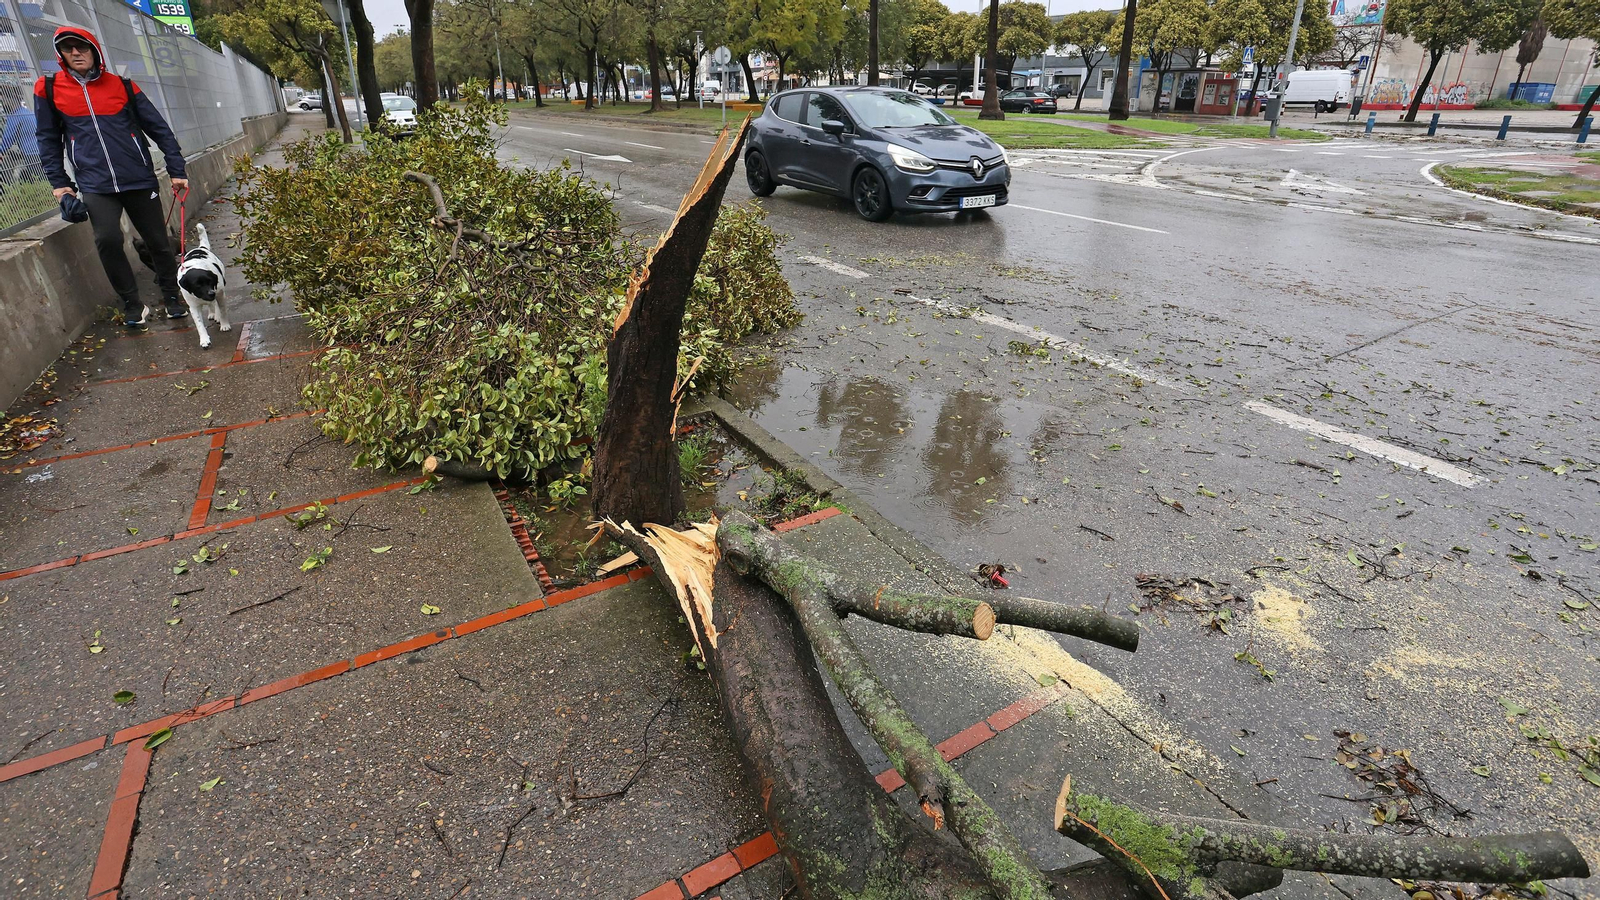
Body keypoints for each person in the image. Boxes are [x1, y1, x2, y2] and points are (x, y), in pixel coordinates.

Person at [34, 26, 189, 328]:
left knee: (157, 240)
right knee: (107, 239)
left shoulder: (123, 86)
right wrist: (60, 184)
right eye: (68, 49)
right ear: (61, 55)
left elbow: (159, 129)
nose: (76, 53)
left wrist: (177, 169)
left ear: (94, 50)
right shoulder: (49, 88)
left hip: (138, 177)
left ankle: (172, 295)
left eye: (82, 47)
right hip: (95, 183)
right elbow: (47, 139)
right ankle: (133, 303)